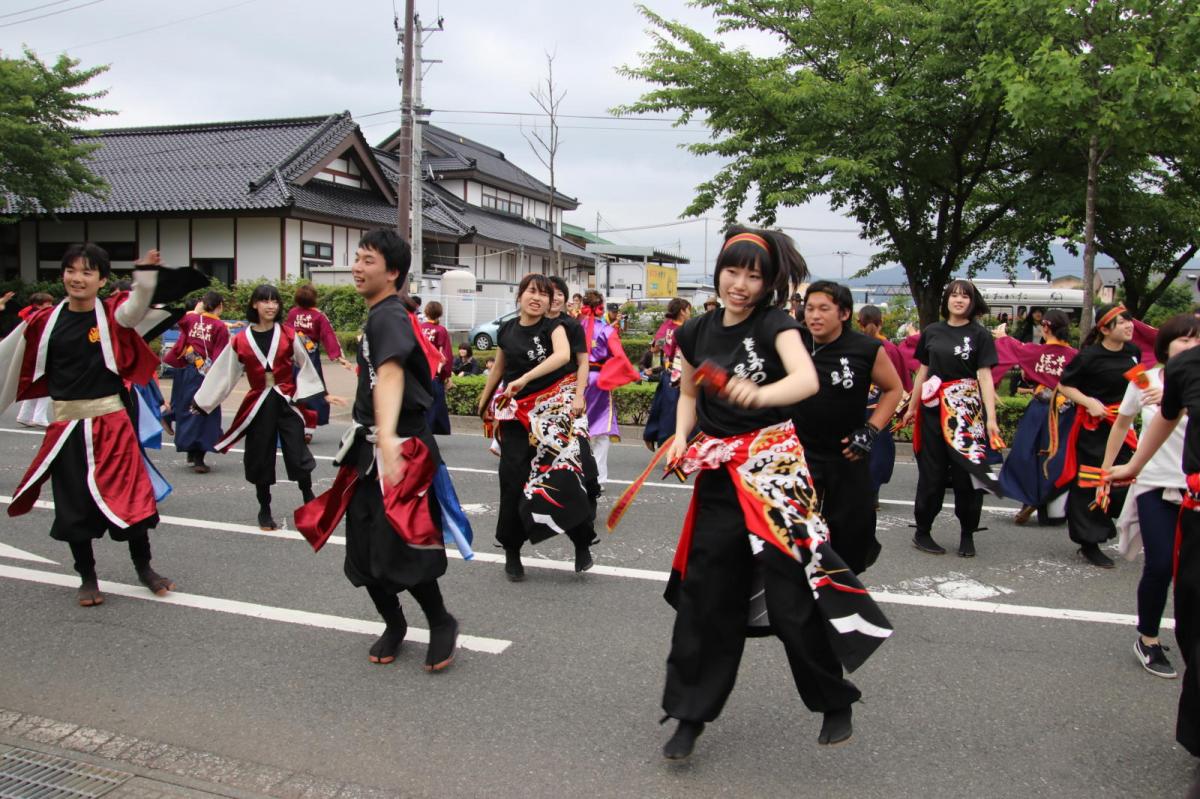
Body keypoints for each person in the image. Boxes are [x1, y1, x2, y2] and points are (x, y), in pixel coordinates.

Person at [659, 227, 892, 761]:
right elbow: (689, 391)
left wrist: (759, 394)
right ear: (718, 271)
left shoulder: (776, 325)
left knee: (793, 597)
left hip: (776, 472)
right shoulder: (695, 330)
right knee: (706, 597)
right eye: (732, 271)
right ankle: (689, 714)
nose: (740, 284)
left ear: (768, 284)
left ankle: (833, 699)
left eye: (753, 276)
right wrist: (680, 437)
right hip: (721, 475)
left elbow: (806, 380)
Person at [294, 229, 461, 672]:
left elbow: (390, 374)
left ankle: (441, 621)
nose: (357, 267)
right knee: (365, 549)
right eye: (357, 258)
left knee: (405, 545)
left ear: (392, 273)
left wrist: (387, 437)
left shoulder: (390, 316)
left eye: (368, 260)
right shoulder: (381, 314)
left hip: (401, 450)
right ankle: (395, 623)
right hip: (370, 451)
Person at [0, 244, 199, 606]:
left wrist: (144, 275)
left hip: (112, 426)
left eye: (87, 272)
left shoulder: (111, 316)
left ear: (102, 280)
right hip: (66, 428)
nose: (77, 278)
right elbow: (6, 362)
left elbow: (135, 309)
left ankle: (144, 568)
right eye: (71, 271)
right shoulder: (44, 322)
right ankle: (87, 576)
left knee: (131, 499)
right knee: (74, 505)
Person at [1108, 327, 1200, 758]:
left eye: (1196, 338)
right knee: (1161, 565)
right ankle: (1148, 637)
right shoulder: (1148, 379)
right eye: (1184, 339)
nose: (1191, 345)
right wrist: (1116, 468)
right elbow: (1125, 423)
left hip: (1189, 488)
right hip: (1158, 486)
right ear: (1167, 346)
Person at [477, 274, 595, 579]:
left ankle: (582, 542)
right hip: (516, 417)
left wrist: (526, 379)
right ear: (520, 295)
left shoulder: (555, 327)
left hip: (554, 415)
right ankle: (512, 550)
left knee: (566, 479)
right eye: (532, 291)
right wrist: (485, 399)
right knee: (512, 481)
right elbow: (500, 367)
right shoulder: (506, 329)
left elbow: (564, 356)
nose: (538, 298)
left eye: (544, 294)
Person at [193, 284, 336, 530]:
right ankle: (264, 508)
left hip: (286, 400)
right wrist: (202, 401)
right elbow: (224, 374)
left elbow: (306, 364)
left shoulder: (288, 334)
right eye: (265, 301)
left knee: (297, 452)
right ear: (254, 304)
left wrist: (317, 393)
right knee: (260, 456)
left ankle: (308, 497)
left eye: (275, 301)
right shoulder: (240, 340)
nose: (271, 306)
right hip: (259, 402)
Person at [794, 281, 903, 574]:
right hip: (800, 453)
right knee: (795, 531)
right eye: (810, 308)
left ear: (843, 313)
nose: (814, 315)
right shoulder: (794, 343)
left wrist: (870, 430)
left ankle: (844, 587)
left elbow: (894, 389)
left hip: (848, 453)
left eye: (823, 309)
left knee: (852, 532)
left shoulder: (866, 348)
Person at [902, 280, 1004, 558]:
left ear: (972, 301)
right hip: (933, 411)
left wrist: (991, 419)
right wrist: (912, 407)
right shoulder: (932, 331)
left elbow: (985, 377)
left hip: (967, 413)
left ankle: (967, 532)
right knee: (932, 474)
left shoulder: (980, 335)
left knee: (967, 475)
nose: (959, 300)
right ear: (946, 300)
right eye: (954, 295)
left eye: (965, 296)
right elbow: (923, 372)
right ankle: (923, 530)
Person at [1055, 303, 1140, 569]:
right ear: (1105, 329)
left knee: (1123, 479)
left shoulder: (1133, 352)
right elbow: (1064, 385)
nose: (1129, 326)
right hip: (1094, 430)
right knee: (1091, 483)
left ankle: (1110, 524)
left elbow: (1140, 383)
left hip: (1123, 429)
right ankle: (1088, 542)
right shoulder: (1089, 357)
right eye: (1122, 322)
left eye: (1129, 321)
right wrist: (1089, 401)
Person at [996, 310, 1078, 526]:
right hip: (1066, 412)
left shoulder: (1035, 352)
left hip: (1040, 409)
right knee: (1060, 455)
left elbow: (1010, 348)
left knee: (1028, 452)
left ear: (1046, 328)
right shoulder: (1076, 356)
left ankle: (1029, 498)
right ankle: (1052, 505)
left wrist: (1002, 336)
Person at [162, 290, 229, 473]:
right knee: (205, 413)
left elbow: (180, 321)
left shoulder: (191, 319)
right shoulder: (219, 326)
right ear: (219, 306)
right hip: (206, 375)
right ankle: (198, 456)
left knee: (187, 408)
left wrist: (196, 311)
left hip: (186, 369)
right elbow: (220, 355)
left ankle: (190, 449)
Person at [578, 290, 640, 486]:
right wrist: (630, 374)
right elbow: (620, 356)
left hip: (576, 380)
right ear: (601, 308)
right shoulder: (606, 330)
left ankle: (579, 474)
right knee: (601, 430)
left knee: (578, 428)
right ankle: (598, 478)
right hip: (599, 381)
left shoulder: (574, 328)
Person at [856, 304, 911, 505]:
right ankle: (873, 492)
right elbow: (902, 383)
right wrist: (904, 411)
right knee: (879, 449)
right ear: (882, 322)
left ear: (859, 323)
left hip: (856, 407)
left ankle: (857, 489)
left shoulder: (854, 345)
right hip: (882, 407)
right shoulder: (890, 349)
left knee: (856, 447)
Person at [285, 284, 353, 432]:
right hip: (310, 355)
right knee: (313, 388)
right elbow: (328, 336)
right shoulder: (318, 315)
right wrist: (339, 357)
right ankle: (309, 427)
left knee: (293, 388)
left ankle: (295, 422)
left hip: (292, 356)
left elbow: (285, 333)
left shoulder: (292, 313)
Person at [644, 298, 692, 450]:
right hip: (679, 375)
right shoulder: (685, 329)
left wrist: (665, 344)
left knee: (662, 407)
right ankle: (673, 443)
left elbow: (654, 348)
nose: (689, 313)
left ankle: (652, 436)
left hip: (667, 372)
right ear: (682, 311)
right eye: (688, 310)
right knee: (677, 412)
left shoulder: (666, 326)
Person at [14, 292, 56, 428]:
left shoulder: (30, 316)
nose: (51, 306)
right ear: (37, 305)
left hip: (34, 356)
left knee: (35, 387)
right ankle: (39, 416)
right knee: (45, 386)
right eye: (47, 303)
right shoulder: (40, 318)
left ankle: (25, 415)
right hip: (41, 356)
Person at [420, 301, 453, 434]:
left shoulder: (420, 327)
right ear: (440, 314)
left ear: (426, 312)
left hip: (419, 372)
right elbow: (446, 354)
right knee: (435, 405)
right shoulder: (441, 330)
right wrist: (446, 375)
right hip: (434, 373)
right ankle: (428, 433)